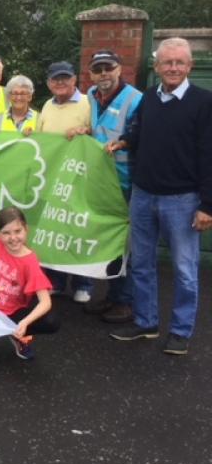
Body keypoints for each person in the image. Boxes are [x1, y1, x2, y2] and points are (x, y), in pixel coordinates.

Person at [107, 38, 212, 355]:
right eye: (167, 62)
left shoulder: (204, 102)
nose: (173, 68)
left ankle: (180, 332)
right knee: (141, 264)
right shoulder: (149, 98)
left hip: (182, 200)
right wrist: (124, 141)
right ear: (157, 66)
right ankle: (146, 322)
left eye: (180, 62)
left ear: (190, 66)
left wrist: (207, 205)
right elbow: (141, 131)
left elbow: (209, 154)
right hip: (143, 194)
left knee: (184, 270)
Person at [79, 50, 141, 323]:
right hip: (101, 179)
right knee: (109, 242)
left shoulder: (136, 99)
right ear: (91, 73)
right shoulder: (92, 95)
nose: (104, 73)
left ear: (119, 69)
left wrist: (124, 142)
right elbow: (99, 128)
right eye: (98, 69)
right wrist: (86, 133)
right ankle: (113, 296)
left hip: (126, 181)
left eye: (109, 67)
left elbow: (142, 134)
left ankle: (125, 301)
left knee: (126, 243)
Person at [0, 207, 59, 366]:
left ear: (26, 230)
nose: (13, 238)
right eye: (6, 233)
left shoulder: (30, 262)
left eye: (18, 231)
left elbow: (45, 302)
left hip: (13, 312)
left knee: (51, 321)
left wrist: (23, 323)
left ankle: (17, 334)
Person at [35, 61, 93, 302]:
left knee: (77, 229)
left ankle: (83, 283)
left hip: (78, 177)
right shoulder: (47, 106)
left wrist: (85, 132)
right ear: (48, 83)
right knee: (54, 229)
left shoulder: (87, 103)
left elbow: (95, 132)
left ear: (74, 80)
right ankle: (57, 281)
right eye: (55, 79)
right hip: (51, 179)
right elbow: (40, 139)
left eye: (65, 78)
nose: (60, 83)